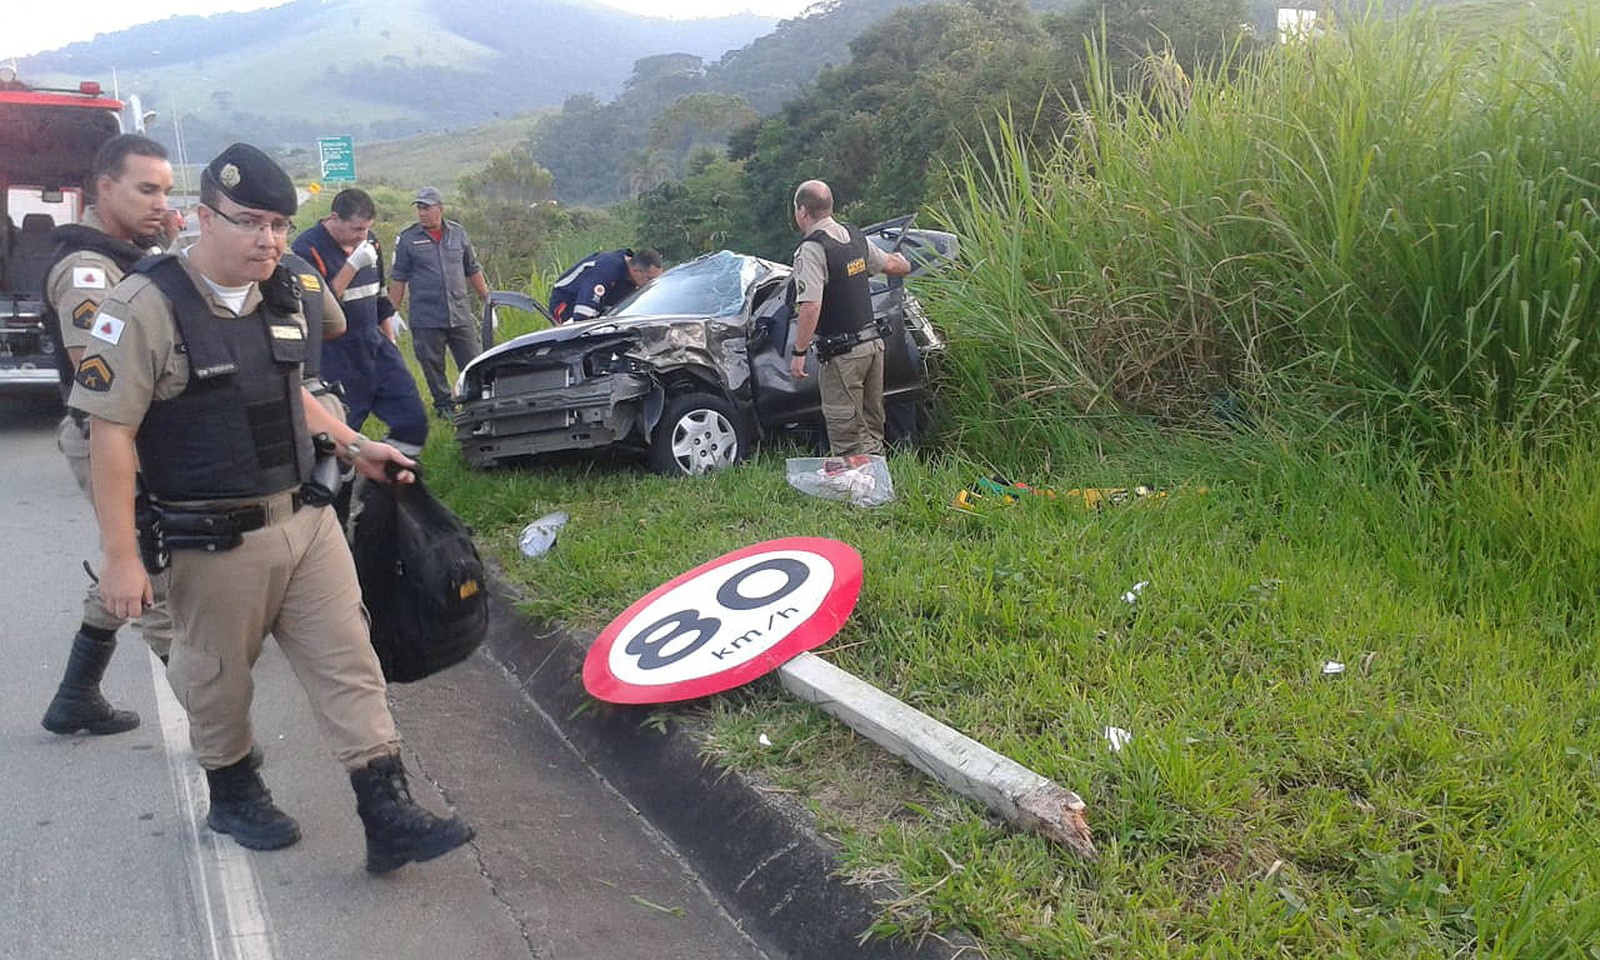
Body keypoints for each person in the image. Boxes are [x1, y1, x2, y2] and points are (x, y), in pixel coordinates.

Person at [70, 142, 474, 873]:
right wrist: (123, 558)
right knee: (219, 676)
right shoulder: (142, 308)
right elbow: (110, 433)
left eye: (280, 225)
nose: (268, 239)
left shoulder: (286, 291)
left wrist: (355, 445)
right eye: (250, 222)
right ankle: (233, 790)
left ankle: (387, 812)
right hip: (212, 539)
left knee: (349, 661)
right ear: (202, 219)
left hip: (307, 517)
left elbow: (285, 390)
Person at [40, 133, 174, 736]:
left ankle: (76, 695)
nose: (160, 203)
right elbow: (102, 375)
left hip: (144, 438)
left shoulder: (129, 257)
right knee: (160, 581)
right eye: (147, 189)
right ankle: (229, 759)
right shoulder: (87, 269)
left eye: (166, 191)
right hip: (114, 439)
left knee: (142, 564)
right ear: (104, 188)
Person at [292, 188, 428, 454]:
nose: (362, 236)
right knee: (340, 437)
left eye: (367, 229)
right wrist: (352, 266)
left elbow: (379, 297)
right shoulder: (306, 249)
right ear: (335, 218)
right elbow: (318, 310)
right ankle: (339, 487)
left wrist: (389, 340)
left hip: (375, 344)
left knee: (412, 418)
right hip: (337, 354)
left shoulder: (371, 243)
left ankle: (390, 481)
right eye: (356, 229)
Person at [786, 179, 911, 456]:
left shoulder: (812, 250)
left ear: (802, 211)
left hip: (843, 355)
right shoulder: (855, 238)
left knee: (846, 435)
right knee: (871, 427)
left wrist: (798, 352)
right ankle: (876, 485)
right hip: (873, 347)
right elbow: (892, 265)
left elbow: (810, 306)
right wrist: (907, 262)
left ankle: (856, 494)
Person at [387, 187, 489, 416]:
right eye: (419, 208)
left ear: (440, 209)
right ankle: (444, 406)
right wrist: (391, 312)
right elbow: (399, 277)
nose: (422, 213)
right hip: (426, 316)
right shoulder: (408, 238)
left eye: (427, 207)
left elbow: (472, 269)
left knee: (473, 359)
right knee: (432, 363)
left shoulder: (458, 233)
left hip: (459, 312)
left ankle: (476, 402)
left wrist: (487, 300)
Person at [548, 247, 663, 324]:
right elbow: (583, 315)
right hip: (567, 306)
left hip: (600, 308)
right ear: (637, 271)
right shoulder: (605, 270)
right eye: (650, 279)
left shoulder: (630, 278)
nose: (651, 285)